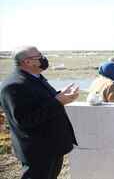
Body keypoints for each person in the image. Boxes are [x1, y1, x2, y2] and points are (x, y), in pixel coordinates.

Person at [0, 46, 79, 179]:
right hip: (38, 151)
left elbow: (42, 102)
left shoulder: (35, 77)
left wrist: (61, 95)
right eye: (39, 56)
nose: (43, 59)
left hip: (52, 147)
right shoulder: (13, 85)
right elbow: (25, 120)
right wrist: (58, 101)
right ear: (27, 62)